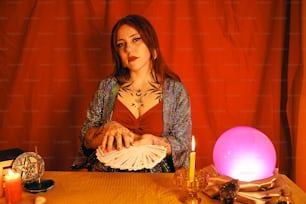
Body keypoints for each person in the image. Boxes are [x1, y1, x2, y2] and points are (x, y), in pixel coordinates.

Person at [72, 14, 192, 172]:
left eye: (136, 39)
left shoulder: (175, 91)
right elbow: (86, 139)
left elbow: (182, 143)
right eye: (121, 45)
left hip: (156, 181)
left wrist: (152, 141)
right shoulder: (108, 87)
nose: (128, 49)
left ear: (152, 46)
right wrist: (106, 128)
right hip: (105, 177)